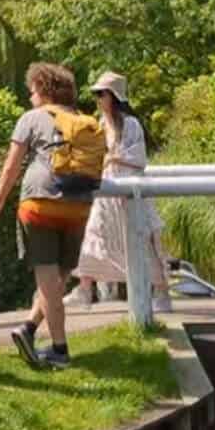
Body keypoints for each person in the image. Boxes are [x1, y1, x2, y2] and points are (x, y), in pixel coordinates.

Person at [0, 62, 100, 371]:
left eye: (32, 90)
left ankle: (60, 349)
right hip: (78, 206)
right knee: (60, 277)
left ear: (45, 90)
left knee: (48, 279)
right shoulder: (82, 120)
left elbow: (12, 166)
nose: (30, 96)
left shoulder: (31, 118)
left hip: (40, 204)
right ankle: (29, 328)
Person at [67, 73, 173, 314]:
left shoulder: (131, 124)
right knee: (94, 235)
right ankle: (84, 288)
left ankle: (162, 291)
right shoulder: (100, 124)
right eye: (95, 94)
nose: (97, 99)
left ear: (113, 96)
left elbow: (139, 159)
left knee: (143, 240)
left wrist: (114, 157)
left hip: (128, 191)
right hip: (106, 191)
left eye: (101, 94)